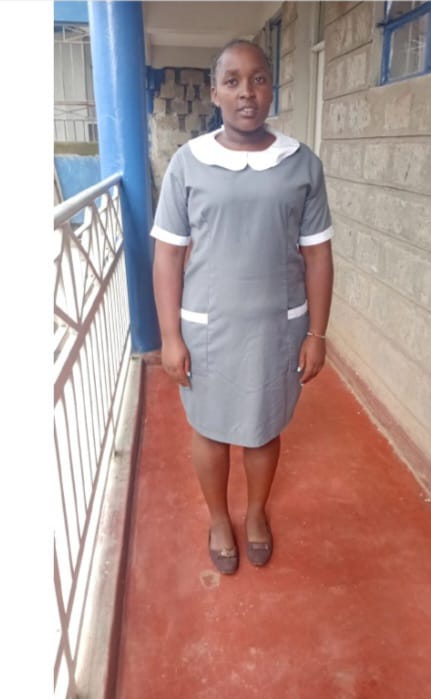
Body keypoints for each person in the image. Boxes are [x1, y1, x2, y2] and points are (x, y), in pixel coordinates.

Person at [151, 39, 334, 575]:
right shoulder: (189, 163)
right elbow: (168, 254)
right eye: (232, 81)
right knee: (210, 429)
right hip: (208, 327)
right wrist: (170, 337)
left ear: (271, 88)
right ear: (215, 93)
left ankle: (255, 513)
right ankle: (217, 517)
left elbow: (318, 255)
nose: (246, 92)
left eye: (257, 79)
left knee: (263, 427)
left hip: (277, 327)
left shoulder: (301, 164)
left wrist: (317, 334)